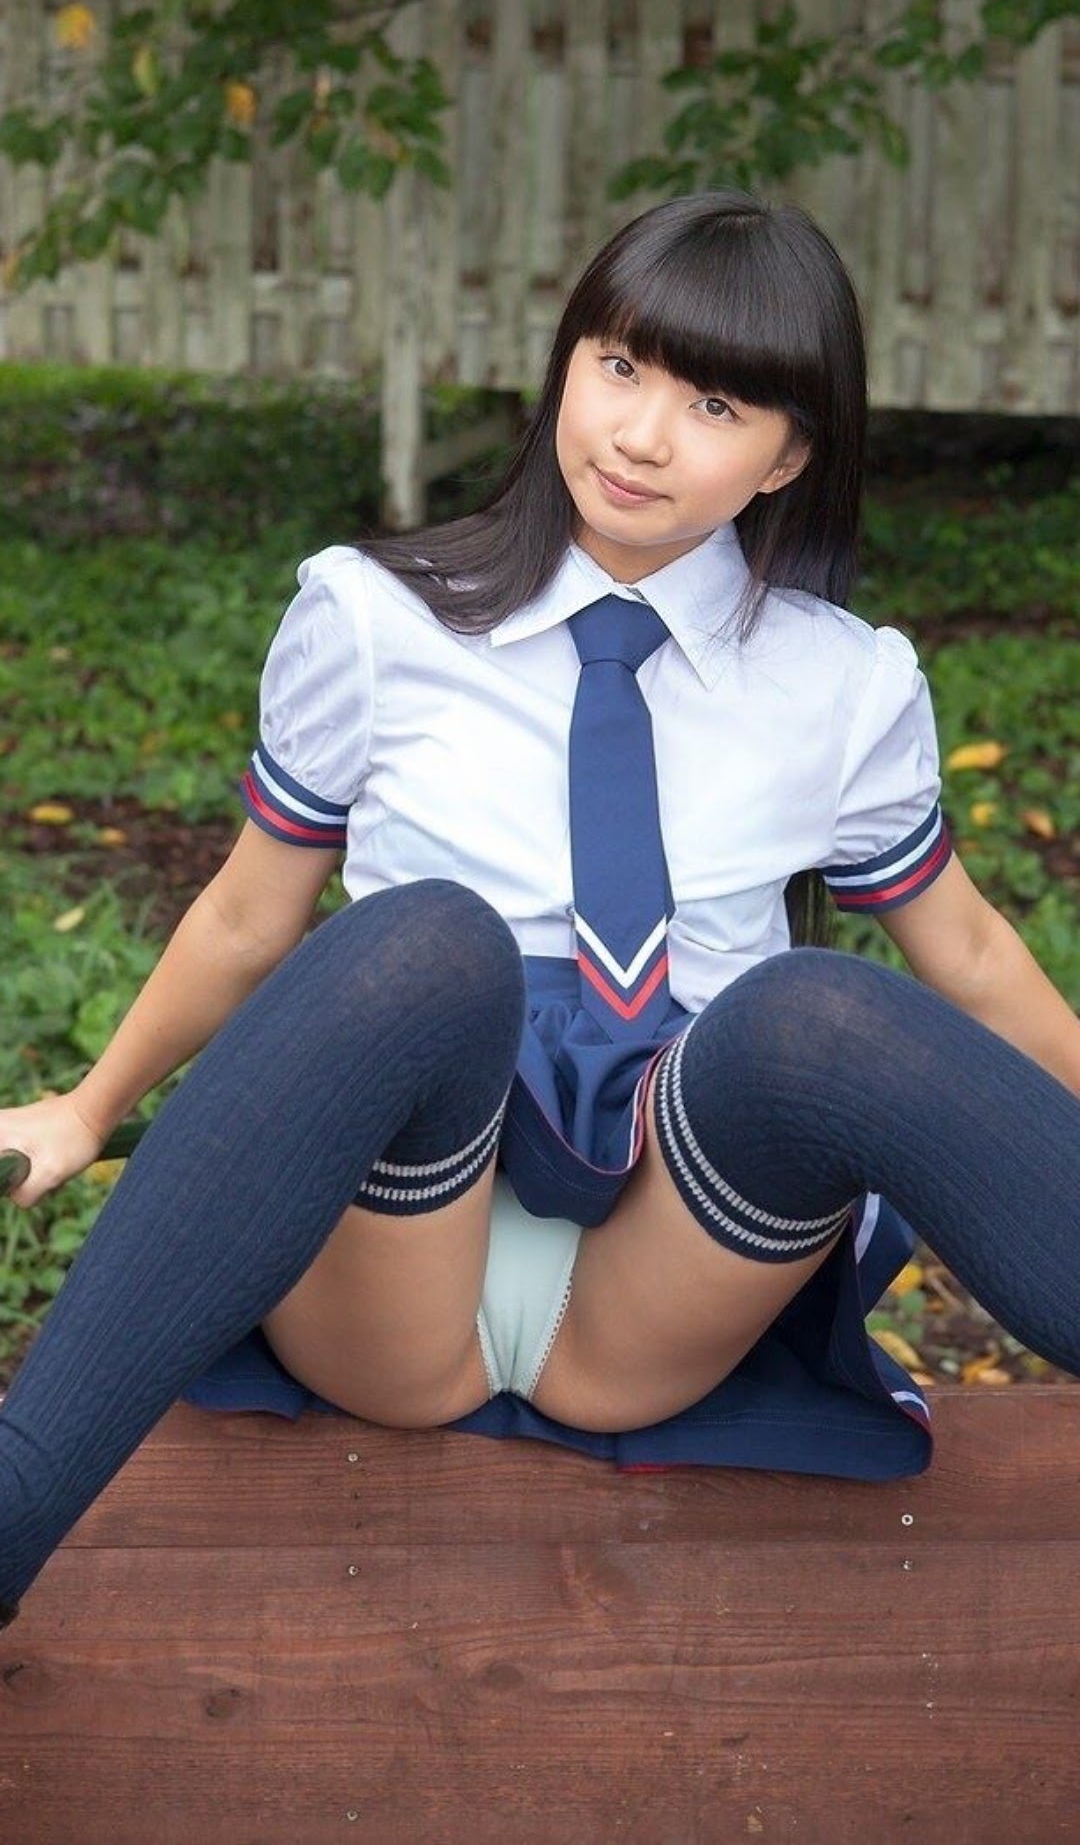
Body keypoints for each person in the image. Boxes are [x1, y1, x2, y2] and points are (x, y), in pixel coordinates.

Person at [1, 188, 1078, 1632]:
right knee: (431, 944)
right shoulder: (377, 617)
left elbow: (974, 953)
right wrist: (87, 1107)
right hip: (402, 1243)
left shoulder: (846, 685)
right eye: (619, 367)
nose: (640, 436)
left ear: (787, 457)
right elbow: (252, 918)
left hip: (663, 1264)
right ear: (566, 360)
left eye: (714, 405)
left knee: (816, 1014)